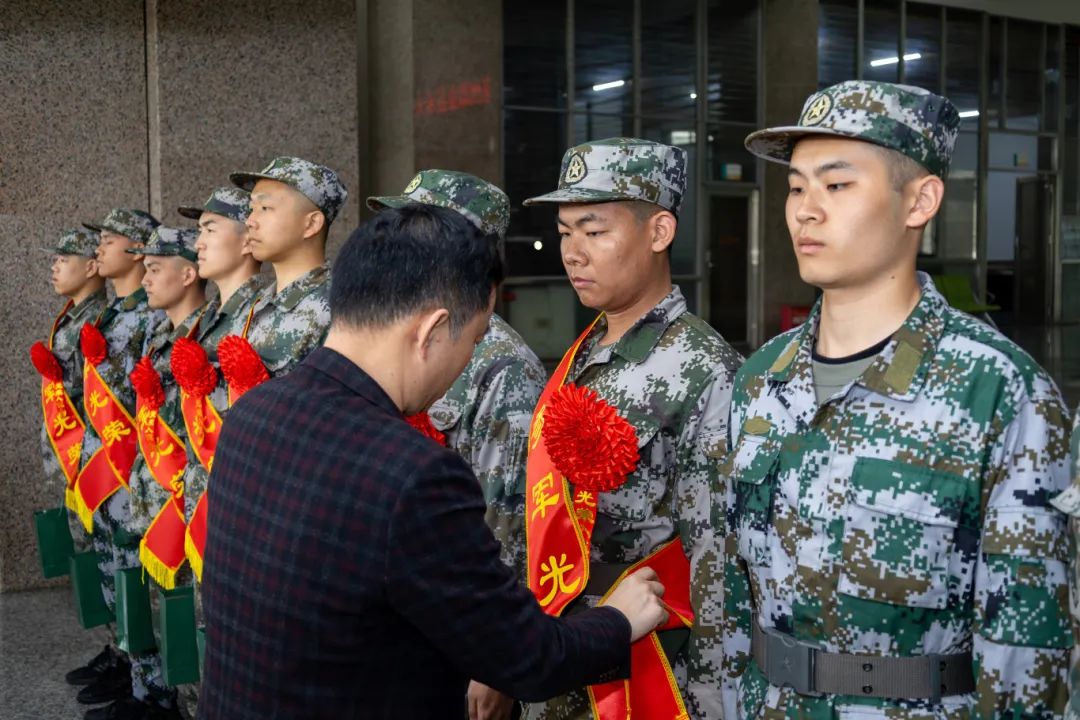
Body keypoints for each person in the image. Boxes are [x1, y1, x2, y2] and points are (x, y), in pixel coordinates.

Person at [198, 204, 668, 720]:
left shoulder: (253, 413)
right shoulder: (413, 475)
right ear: (432, 330)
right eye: (474, 338)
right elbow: (527, 658)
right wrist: (619, 620)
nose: (468, 359)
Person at [717, 80, 1073, 718]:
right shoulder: (761, 379)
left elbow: (1027, 653)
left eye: (837, 185)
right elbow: (735, 598)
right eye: (796, 187)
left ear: (920, 201)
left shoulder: (998, 391)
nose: (805, 211)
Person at [519, 137, 742, 720]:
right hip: (561, 642)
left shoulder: (703, 368)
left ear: (659, 231)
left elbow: (717, 558)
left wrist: (714, 703)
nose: (573, 253)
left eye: (594, 231)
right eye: (565, 233)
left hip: (651, 664)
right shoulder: (585, 350)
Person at [368, 170, 547, 720]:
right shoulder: (398, 331)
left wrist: (495, 662)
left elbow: (509, 519)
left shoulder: (502, 365)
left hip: (458, 631)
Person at [69, 209, 169, 719]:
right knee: (113, 567)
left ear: (137, 249)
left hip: (133, 466)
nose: (99, 249)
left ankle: (153, 688)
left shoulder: (151, 315)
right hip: (105, 462)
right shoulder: (112, 313)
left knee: (137, 577)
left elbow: (139, 398)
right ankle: (129, 662)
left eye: (109, 239)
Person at [221, 156, 347, 381]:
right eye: (251, 209)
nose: (250, 221)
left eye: (265, 208)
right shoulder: (254, 305)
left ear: (311, 224)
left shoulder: (338, 308)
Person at [31, 229, 108, 557]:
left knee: (96, 551)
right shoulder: (72, 316)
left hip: (89, 455)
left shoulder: (98, 319)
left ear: (91, 267)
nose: (54, 267)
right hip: (69, 452)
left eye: (63, 259)